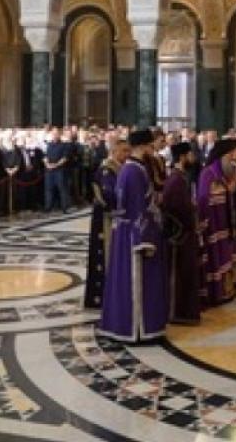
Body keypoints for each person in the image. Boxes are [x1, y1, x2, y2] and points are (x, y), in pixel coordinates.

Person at [100, 129, 168, 343]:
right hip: (135, 237)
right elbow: (140, 209)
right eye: (151, 146)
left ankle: (127, 325)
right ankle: (138, 329)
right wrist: (145, 240)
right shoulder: (136, 171)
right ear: (144, 147)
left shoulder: (128, 168)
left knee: (124, 281)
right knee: (138, 282)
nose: (152, 150)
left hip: (124, 232)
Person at [197, 138, 236, 306]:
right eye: (230, 155)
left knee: (226, 257)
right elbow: (203, 200)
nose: (233, 159)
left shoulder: (224, 174)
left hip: (225, 224)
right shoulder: (208, 174)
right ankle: (217, 292)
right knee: (216, 259)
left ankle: (227, 290)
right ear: (221, 156)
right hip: (214, 225)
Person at [84, 140, 126, 310]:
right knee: (104, 254)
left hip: (112, 216)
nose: (127, 154)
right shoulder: (107, 170)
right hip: (104, 218)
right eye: (124, 151)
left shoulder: (120, 169)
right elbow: (109, 194)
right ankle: (101, 296)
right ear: (114, 151)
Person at [162, 142, 201, 324]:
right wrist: (191, 214)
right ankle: (178, 313)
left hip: (185, 235)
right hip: (181, 237)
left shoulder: (180, 177)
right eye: (190, 155)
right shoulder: (176, 179)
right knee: (181, 276)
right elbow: (175, 208)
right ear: (182, 157)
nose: (192, 158)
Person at [44, 128, 70, 213]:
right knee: (49, 189)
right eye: (53, 133)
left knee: (62, 189)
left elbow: (65, 158)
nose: (54, 135)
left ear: (59, 134)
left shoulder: (64, 145)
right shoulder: (49, 144)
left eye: (56, 134)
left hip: (59, 170)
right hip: (49, 170)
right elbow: (45, 156)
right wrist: (47, 164)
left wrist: (56, 165)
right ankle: (48, 207)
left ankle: (64, 208)